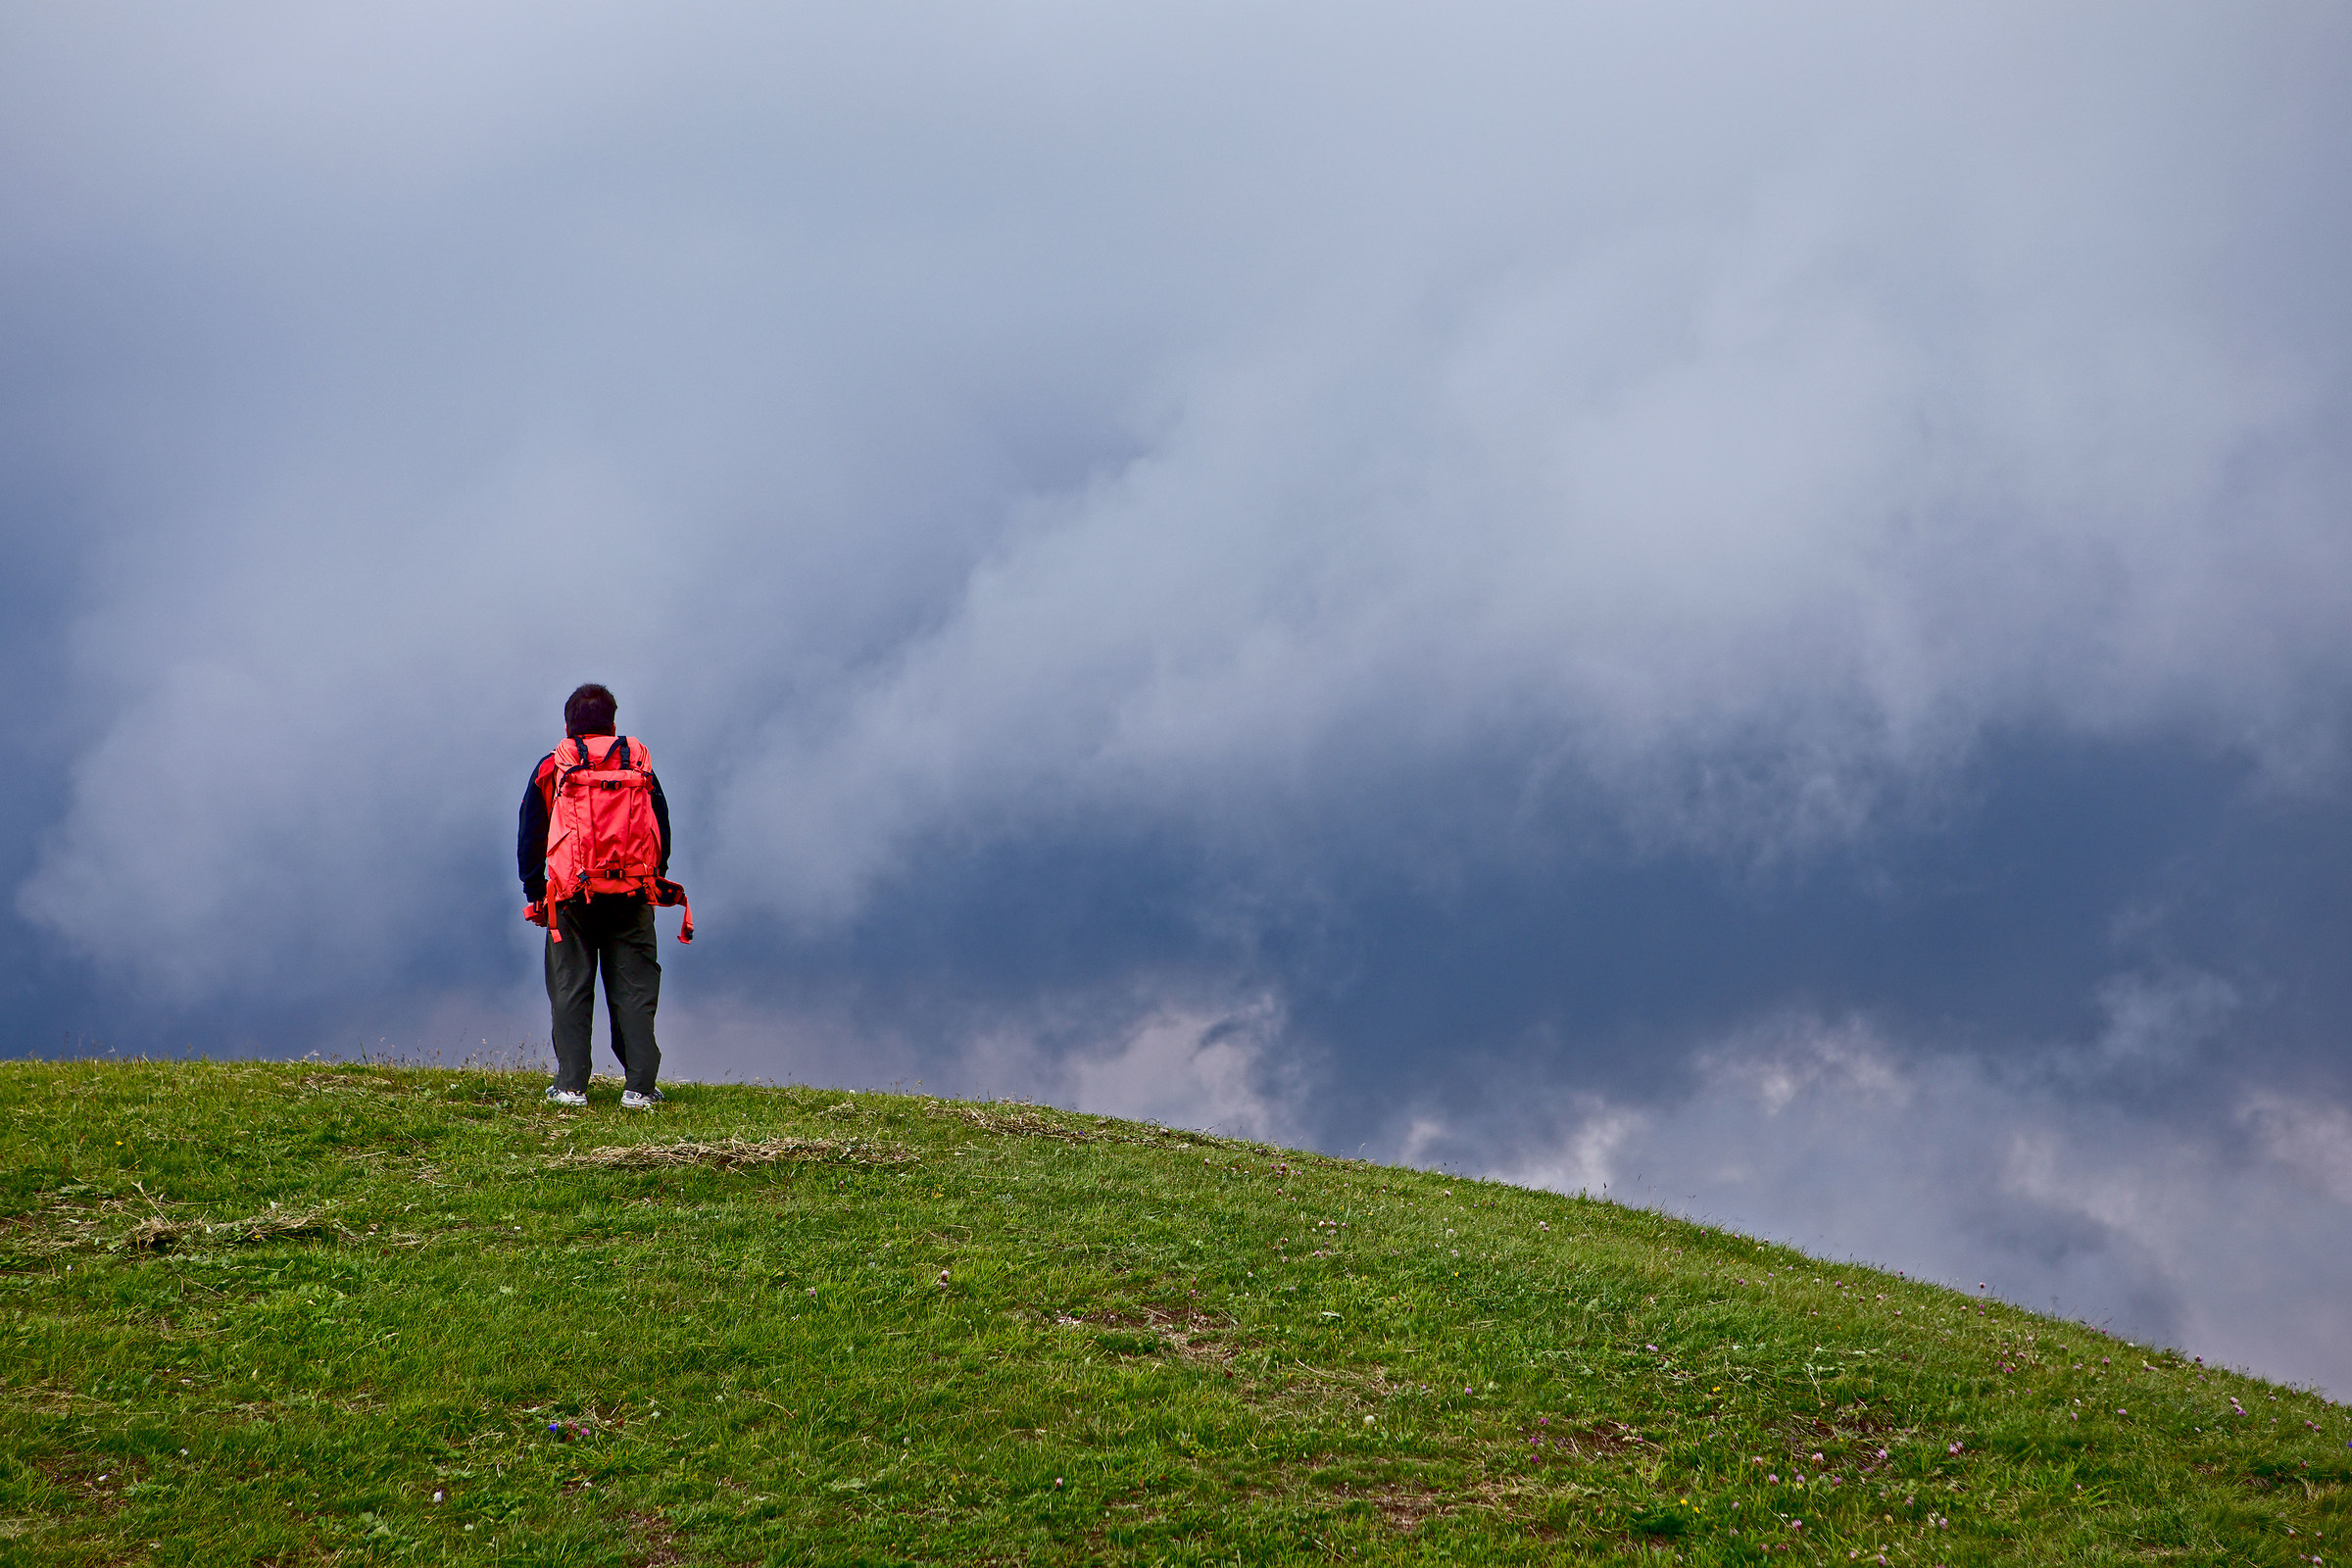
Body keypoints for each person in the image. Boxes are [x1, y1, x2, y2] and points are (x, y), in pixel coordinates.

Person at [518, 682, 674, 1109]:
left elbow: (530, 834)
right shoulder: (638, 766)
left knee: (570, 989)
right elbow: (660, 827)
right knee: (635, 990)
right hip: (631, 893)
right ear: (613, 723)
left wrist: (535, 892)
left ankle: (571, 1087)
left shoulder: (553, 767)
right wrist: (653, 878)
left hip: (570, 898)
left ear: (568, 726)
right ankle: (639, 1089)